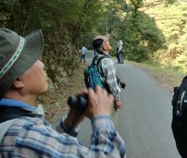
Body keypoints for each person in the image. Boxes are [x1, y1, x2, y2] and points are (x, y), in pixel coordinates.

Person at [0, 28, 126, 157]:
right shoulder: (23, 136)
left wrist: (68, 125)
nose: (42, 63)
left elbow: (44, 146)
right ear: (17, 79)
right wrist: (102, 118)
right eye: (32, 59)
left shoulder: (11, 125)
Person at [92, 34, 122, 110]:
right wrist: (117, 99)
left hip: (98, 95)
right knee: (109, 120)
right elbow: (111, 82)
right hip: (107, 98)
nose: (109, 42)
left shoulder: (96, 58)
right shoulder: (107, 61)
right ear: (104, 47)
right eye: (108, 41)